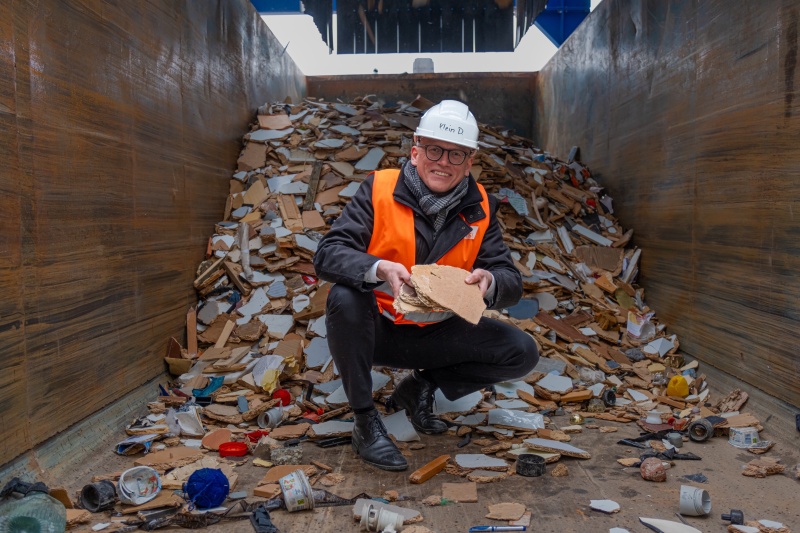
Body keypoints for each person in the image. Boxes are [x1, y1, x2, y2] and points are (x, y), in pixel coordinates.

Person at [312, 100, 539, 471]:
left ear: (470, 162)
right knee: (344, 297)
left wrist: (492, 281)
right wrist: (379, 268)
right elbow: (328, 254)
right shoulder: (378, 189)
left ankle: (419, 387)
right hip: (377, 329)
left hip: (439, 335)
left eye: (456, 154)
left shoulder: (481, 206)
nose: (443, 162)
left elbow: (510, 279)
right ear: (415, 151)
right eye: (434, 150)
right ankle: (366, 422)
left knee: (521, 351)